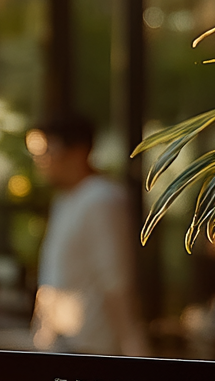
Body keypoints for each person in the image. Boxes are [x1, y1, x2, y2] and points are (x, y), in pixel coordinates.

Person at [28, 112, 149, 356]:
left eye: (47, 151)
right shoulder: (66, 199)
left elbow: (115, 280)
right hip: (61, 342)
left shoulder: (101, 199)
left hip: (92, 347)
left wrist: (134, 348)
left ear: (77, 151)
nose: (41, 160)